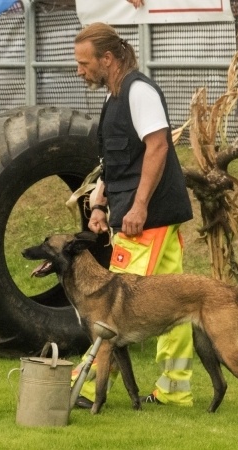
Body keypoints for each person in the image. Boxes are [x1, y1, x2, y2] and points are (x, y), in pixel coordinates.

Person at [72, 22, 195, 408]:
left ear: (107, 58)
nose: (80, 71)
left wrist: (139, 205)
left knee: (112, 304)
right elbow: (117, 161)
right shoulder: (114, 98)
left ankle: (85, 386)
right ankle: (176, 389)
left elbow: (158, 147)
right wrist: (100, 203)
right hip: (138, 213)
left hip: (149, 218)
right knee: (176, 302)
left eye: (84, 62)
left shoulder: (139, 92)